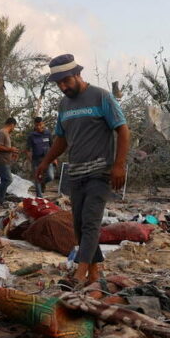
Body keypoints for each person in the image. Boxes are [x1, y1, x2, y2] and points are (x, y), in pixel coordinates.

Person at [35, 54, 130, 287]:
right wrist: (45, 162)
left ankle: (79, 274)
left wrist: (118, 165)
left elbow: (123, 130)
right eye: (58, 84)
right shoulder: (64, 105)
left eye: (66, 81)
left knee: (90, 223)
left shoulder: (101, 97)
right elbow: (61, 139)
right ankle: (95, 274)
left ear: (78, 74)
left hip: (100, 172)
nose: (63, 87)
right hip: (75, 173)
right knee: (78, 225)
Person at [0, 117, 19, 205]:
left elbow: (5, 148)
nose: (14, 129)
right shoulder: (2, 132)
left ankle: (0, 200)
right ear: (12, 125)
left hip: (5, 161)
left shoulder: (6, 133)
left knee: (4, 180)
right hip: (1, 161)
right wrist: (10, 149)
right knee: (8, 180)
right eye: (14, 127)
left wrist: (12, 152)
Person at [26, 116, 56, 195]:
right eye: (37, 125)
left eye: (40, 125)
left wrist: (54, 158)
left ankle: (43, 183)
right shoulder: (31, 135)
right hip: (36, 160)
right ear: (34, 125)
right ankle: (40, 197)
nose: (39, 127)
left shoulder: (48, 133)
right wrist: (30, 159)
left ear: (43, 124)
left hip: (47, 159)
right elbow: (27, 149)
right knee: (37, 178)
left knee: (50, 176)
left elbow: (52, 146)